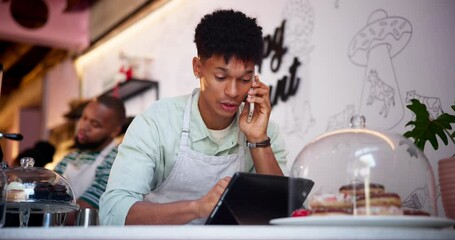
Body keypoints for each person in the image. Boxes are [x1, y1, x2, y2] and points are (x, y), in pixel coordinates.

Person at [100, 9, 288, 225]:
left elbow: (287, 216)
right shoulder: (157, 123)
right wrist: (198, 207)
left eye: (245, 79)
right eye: (221, 76)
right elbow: (113, 212)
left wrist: (258, 141)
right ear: (197, 68)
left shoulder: (266, 133)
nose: (233, 92)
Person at [54, 95, 126, 212]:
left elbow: (81, 211)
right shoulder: (70, 157)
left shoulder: (115, 161)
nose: (84, 126)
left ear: (115, 131)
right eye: (84, 118)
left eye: (95, 124)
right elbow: (47, 193)